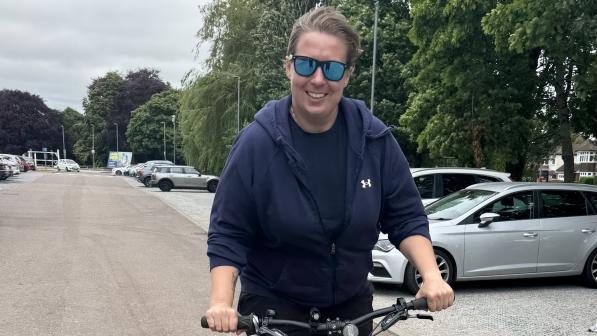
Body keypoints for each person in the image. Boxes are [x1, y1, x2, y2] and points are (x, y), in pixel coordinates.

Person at [205, 6, 454, 335]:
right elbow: (229, 231)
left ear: (348, 74)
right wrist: (221, 302)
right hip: (274, 307)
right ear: (289, 67)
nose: (318, 79)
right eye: (306, 64)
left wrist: (431, 275)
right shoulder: (256, 144)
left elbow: (406, 215)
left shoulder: (374, 140)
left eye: (332, 69)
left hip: (350, 308)